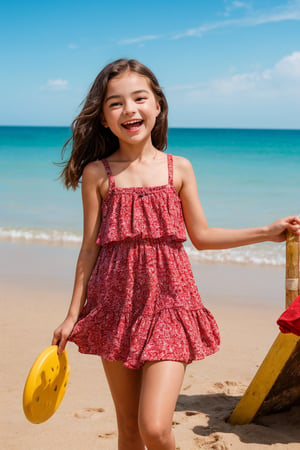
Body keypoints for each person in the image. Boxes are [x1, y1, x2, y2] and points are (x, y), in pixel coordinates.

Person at [52, 58, 300, 450]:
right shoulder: (98, 174)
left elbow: (201, 236)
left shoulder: (178, 169)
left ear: (157, 106)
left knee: (154, 428)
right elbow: (89, 249)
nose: (129, 109)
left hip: (171, 305)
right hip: (115, 306)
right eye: (115, 103)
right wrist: (71, 316)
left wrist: (266, 232)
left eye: (139, 98)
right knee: (129, 430)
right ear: (102, 118)